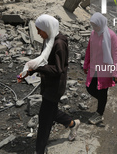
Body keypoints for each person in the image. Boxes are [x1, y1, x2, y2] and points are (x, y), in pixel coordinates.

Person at [18, 14, 80, 154]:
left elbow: (58, 69)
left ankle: (40, 150)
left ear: (48, 28)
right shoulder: (49, 40)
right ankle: (73, 124)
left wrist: (36, 68)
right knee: (50, 113)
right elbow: (44, 63)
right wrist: (28, 72)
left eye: (40, 30)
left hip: (55, 87)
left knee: (44, 120)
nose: (38, 33)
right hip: (48, 84)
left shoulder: (59, 44)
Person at [83, 12, 117, 125]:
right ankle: (102, 101)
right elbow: (89, 50)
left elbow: (116, 55)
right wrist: (86, 64)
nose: (94, 28)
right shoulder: (93, 34)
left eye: (95, 25)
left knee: (102, 90)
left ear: (101, 23)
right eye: (93, 25)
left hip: (105, 69)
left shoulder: (111, 35)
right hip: (93, 68)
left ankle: (99, 113)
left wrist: (116, 73)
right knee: (89, 88)